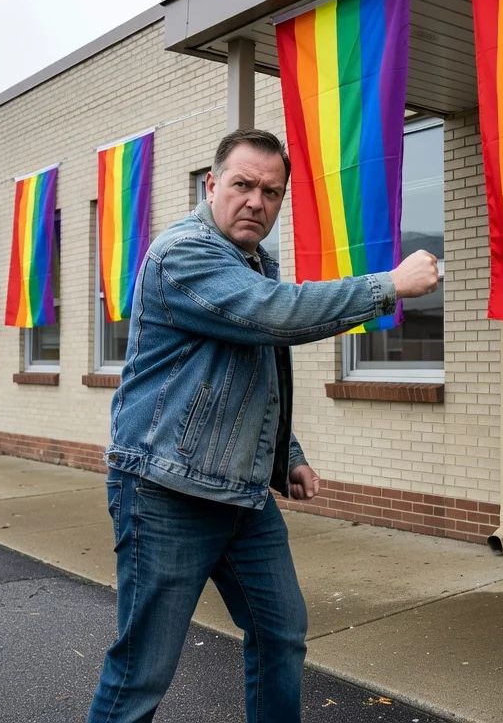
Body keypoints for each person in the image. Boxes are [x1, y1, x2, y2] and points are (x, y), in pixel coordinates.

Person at [87, 129, 439, 723]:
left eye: (271, 192)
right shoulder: (184, 253)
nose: (256, 201)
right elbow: (273, 315)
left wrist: (287, 454)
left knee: (281, 634)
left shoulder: (252, 262)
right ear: (212, 184)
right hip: (166, 490)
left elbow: (257, 370)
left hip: (242, 493)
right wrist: (388, 286)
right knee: (143, 667)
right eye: (243, 184)